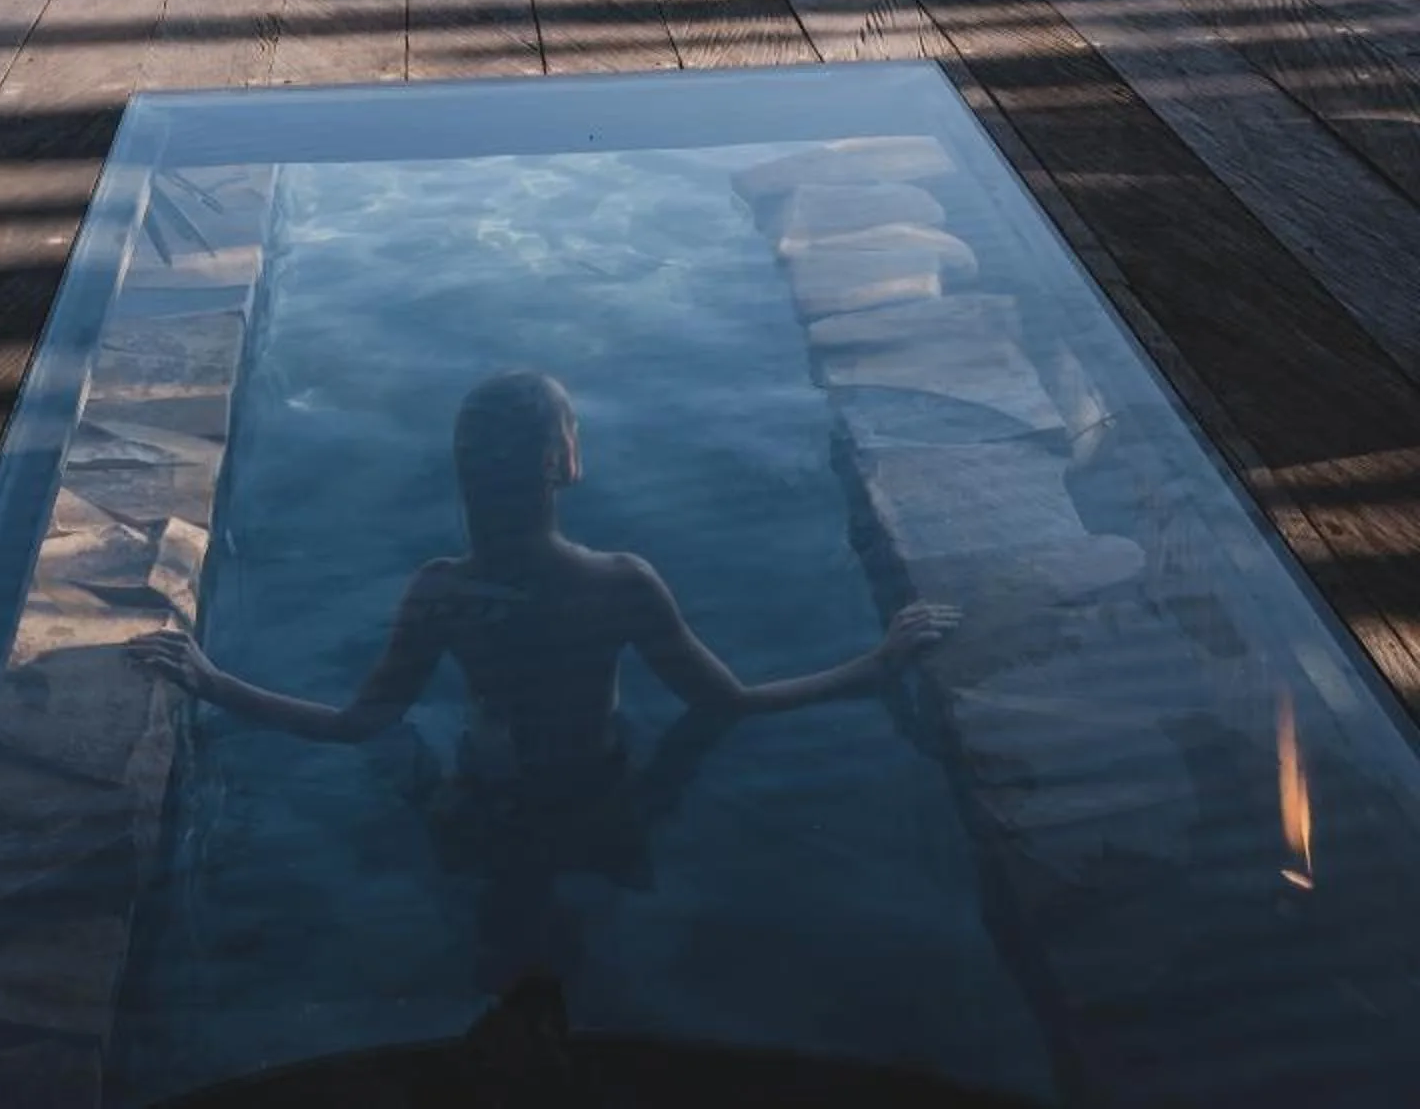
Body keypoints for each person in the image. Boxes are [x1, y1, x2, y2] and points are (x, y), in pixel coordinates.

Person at [134, 369, 956, 977]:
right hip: (601, 801)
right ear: (564, 462)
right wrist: (877, 663)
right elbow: (727, 702)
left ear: (463, 471)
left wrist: (214, 681)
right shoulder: (620, 583)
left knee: (459, 855)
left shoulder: (442, 593)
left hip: (483, 805)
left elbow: (358, 725)